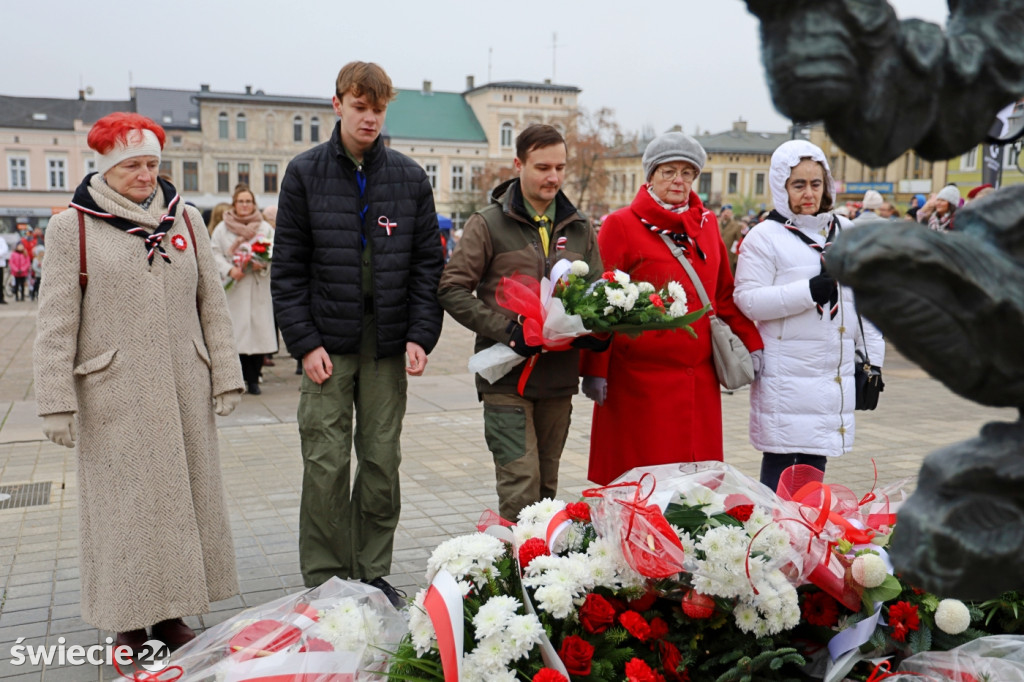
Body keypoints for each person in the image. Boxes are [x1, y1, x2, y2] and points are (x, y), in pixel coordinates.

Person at [32, 112, 244, 653]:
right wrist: (55, 402)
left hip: (183, 388)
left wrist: (225, 374)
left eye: (152, 163)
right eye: (133, 165)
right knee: (126, 511)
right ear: (106, 168)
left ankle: (171, 614)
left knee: (181, 504)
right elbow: (56, 323)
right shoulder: (71, 227)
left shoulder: (187, 220)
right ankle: (126, 619)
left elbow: (212, 306)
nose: (146, 175)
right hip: (114, 394)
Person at [272, 61, 444, 606]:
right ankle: (326, 578)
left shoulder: (410, 178)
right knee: (325, 462)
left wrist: (421, 333)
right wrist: (304, 343)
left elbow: (427, 267)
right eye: (360, 106)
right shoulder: (304, 173)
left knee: (380, 462)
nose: (369, 117)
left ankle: (371, 572)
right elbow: (289, 270)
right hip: (327, 344)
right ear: (338, 105)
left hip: (387, 344)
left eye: (378, 108)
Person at [439, 124, 604, 520]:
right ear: (518, 165)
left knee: (547, 490)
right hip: (506, 377)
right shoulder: (488, 223)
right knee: (521, 486)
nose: (553, 177)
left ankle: (546, 578)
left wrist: (596, 331)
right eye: (542, 167)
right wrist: (508, 331)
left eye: (560, 168)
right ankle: (518, 575)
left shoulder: (580, 226)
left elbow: (598, 292)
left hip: (558, 378)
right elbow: (451, 289)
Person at [578, 132, 763, 485]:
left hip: (699, 383)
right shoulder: (622, 225)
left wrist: (751, 341)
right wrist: (594, 368)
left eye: (687, 172)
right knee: (641, 483)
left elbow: (723, 295)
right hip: (638, 385)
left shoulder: (706, 226)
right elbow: (601, 303)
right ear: (650, 176)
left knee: (694, 490)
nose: (678, 180)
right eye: (668, 171)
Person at [734, 139, 885, 491]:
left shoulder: (846, 231)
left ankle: (806, 537)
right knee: (782, 463)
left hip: (832, 373)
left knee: (816, 463)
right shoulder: (764, 237)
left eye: (815, 183)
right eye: (798, 184)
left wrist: (873, 362)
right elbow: (748, 300)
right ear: (781, 186)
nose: (808, 193)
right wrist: (806, 293)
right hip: (787, 375)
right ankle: (772, 537)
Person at [210, 184, 277, 395]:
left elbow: (274, 249)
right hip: (235, 288)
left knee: (258, 334)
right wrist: (230, 270)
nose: (245, 205)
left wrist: (262, 264)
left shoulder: (264, 228)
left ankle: (254, 378)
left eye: (248, 201)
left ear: (254, 204)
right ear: (234, 204)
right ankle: (238, 378)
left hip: (257, 286)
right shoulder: (223, 227)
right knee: (237, 334)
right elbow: (214, 253)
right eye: (241, 201)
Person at [718, 203, 744, 272]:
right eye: (724, 212)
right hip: (717, 254)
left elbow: (738, 242)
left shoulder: (736, 226)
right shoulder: (717, 224)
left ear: (731, 214)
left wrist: (736, 258)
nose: (726, 214)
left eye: (728, 212)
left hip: (730, 256)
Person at [0, 234, 8, 304]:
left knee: (0, 282)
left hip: (0, 265)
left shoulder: (1, 240)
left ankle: (1, 298)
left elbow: (4, 250)